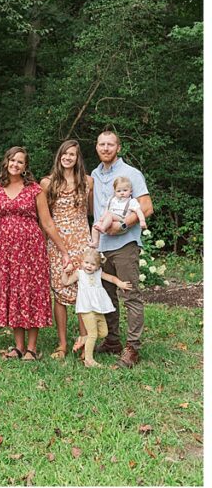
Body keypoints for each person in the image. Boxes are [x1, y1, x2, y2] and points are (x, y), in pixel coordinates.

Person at [0, 147, 56, 361]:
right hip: (5, 250)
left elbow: (46, 222)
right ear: (6, 162)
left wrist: (60, 249)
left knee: (31, 293)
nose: (16, 164)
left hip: (31, 249)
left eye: (21, 162)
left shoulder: (34, 189)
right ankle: (18, 346)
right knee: (13, 293)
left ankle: (32, 348)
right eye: (13, 160)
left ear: (26, 167)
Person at [91, 130, 153, 368]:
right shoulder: (95, 175)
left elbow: (146, 207)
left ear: (118, 147)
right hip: (102, 248)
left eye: (110, 144)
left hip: (125, 245)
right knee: (107, 295)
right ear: (96, 147)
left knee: (130, 295)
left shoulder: (131, 174)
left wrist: (124, 225)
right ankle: (112, 340)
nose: (105, 148)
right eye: (101, 144)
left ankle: (132, 348)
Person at [39, 139, 94, 360]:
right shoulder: (48, 183)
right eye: (65, 153)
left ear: (78, 158)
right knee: (60, 291)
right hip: (57, 241)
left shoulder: (88, 182)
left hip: (82, 240)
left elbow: (91, 212)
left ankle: (83, 341)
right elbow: (45, 218)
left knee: (84, 291)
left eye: (72, 154)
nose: (68, 157)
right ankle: (62, 343)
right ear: (59, 156)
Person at [58, 249, 133, 368]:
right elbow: (66, 282)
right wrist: (65, 272)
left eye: (93, 264)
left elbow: (112, 278)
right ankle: (88, 360)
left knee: (104, 332)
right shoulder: (80, 273)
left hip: (98, 308)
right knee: (93, 334)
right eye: (87, 262)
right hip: (86, 308)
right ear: (82, 262)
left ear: (98, 266)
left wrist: (120, 283)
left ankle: (84, 339)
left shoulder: (98, 273)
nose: (89, 266)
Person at [92, 176, 148, 246]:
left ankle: (103, 228)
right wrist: (102, 218)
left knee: (110, 215)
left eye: (125, 190)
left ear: (130, 191)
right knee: (95, 225)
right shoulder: (113, 199)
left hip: (121, 220)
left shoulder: (131, 201)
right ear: (115, 192)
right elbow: (107, 209)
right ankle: (95, 242)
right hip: (110, 220)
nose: (122, 193)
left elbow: (138, 211)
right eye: (119, 191)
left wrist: (142, 221)